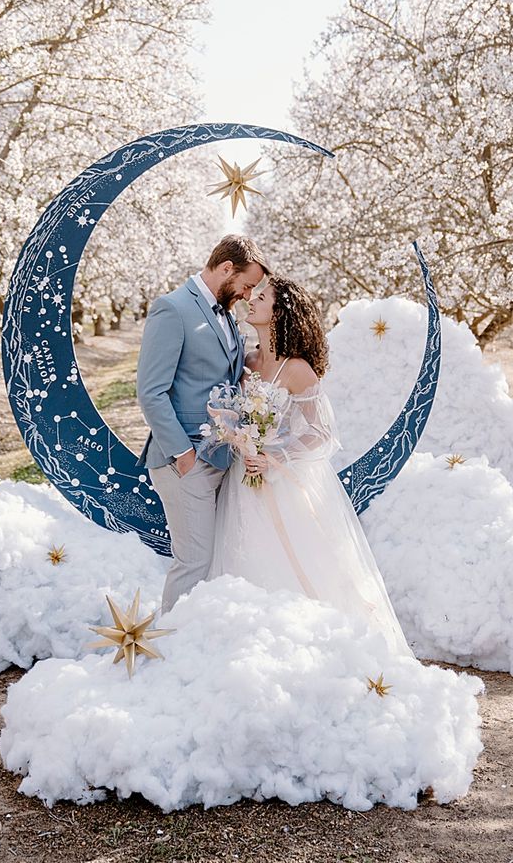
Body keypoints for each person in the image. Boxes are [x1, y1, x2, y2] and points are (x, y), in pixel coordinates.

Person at [208, 275, 414, 658]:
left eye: (262, 296)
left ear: (280, 312)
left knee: (294, 562)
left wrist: (274, 456)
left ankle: (307, 650)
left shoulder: (297, 368)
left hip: (281, 481)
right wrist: (236, 435)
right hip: (243, 478)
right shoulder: (247, 362)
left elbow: (321, 432)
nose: (251, 299)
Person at [136, 235, 269, 613]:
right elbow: (151, 392)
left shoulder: (226, 314)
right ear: (227, 269)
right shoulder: (172, 309)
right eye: (246, 285)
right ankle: (170, 648)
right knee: (193, 561)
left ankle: (195, 646)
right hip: (185, 460)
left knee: (213, 562)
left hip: (222, 456)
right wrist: (183, 454)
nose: (246, 295)